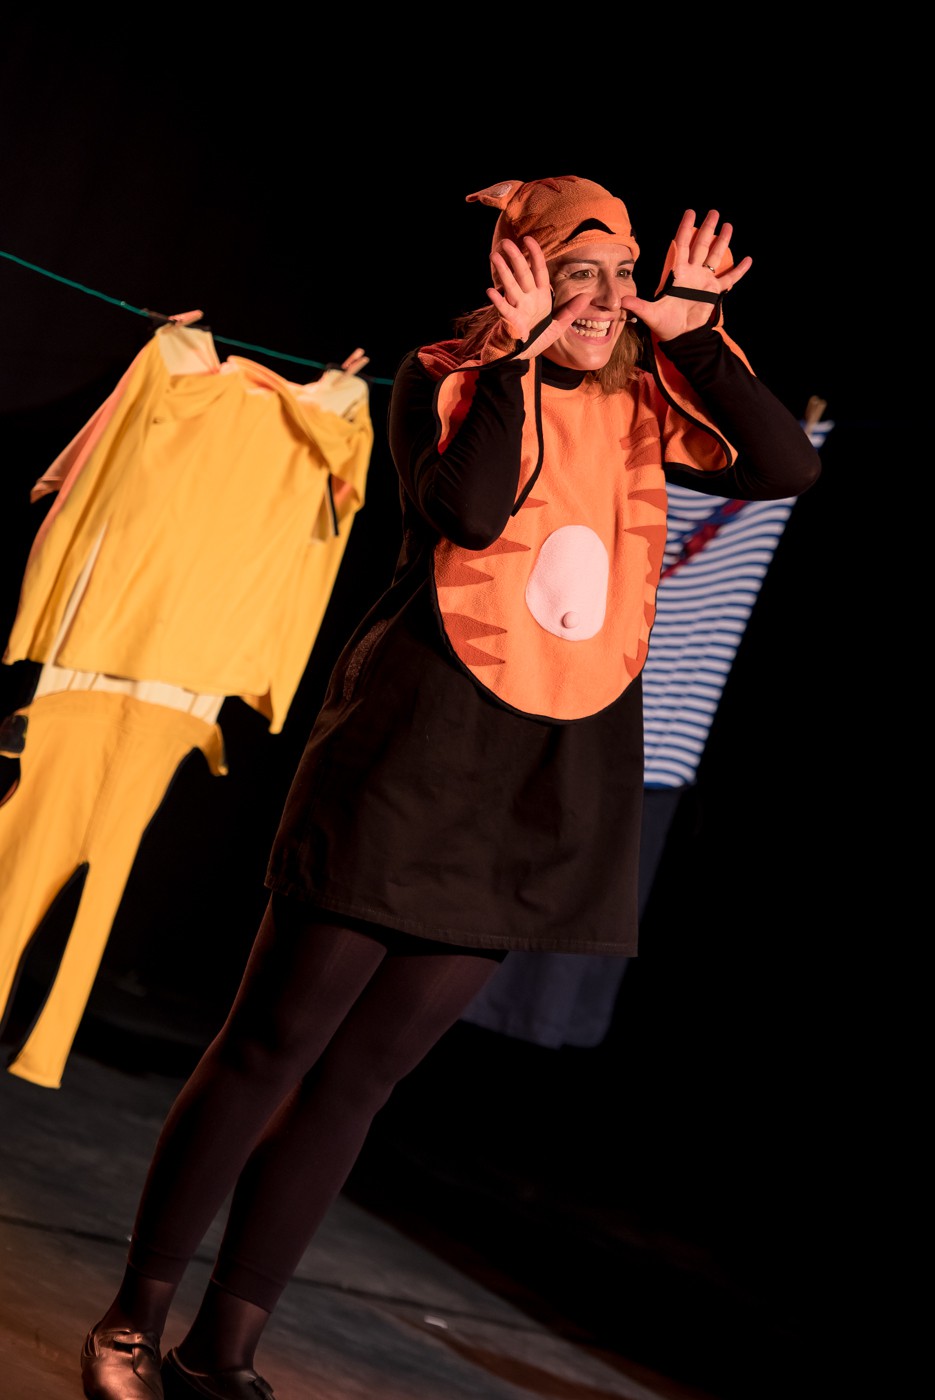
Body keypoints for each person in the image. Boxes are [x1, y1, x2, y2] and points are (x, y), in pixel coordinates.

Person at [79, 175, 821, 1400]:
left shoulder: (649, 395)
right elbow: (467, 512)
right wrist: (519, 360)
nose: (604, 299)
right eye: (574, 274)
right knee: (273, 1041)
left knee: (366, 1075)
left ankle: (225, 1348)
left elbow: (784, 467)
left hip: (551, 765)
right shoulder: (451, 374)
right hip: (415, 743)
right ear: (519, 275)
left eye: (620, 276)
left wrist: (694, 335)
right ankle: (131, 1316)